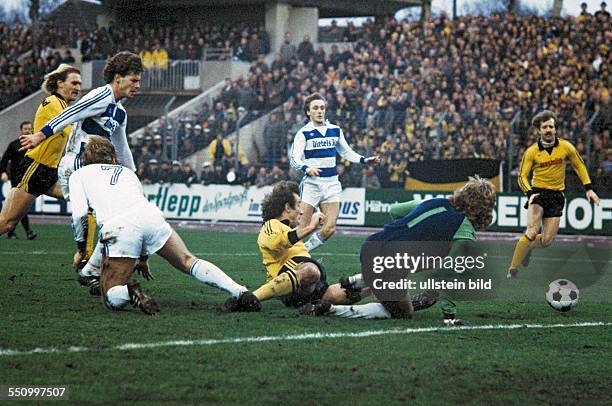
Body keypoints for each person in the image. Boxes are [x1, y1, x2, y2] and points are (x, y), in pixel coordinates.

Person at [69, 136, 261, 315]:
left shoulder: (79, 175)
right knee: (188, 260)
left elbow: (79, 215)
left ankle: (129, 291)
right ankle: (240, 291)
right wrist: (143, 257)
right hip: (151, 217)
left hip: (120, 227)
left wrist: (80, 248)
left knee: (110, 297)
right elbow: (138, 212)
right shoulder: (127, 173)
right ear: (112, 158)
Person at [19, 51, 143, 290]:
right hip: (75, 165)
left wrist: (133, 177)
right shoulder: (101, 95)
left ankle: (91, 267)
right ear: (118, 77)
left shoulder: (120, 111)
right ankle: (89, 263)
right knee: (104, 216)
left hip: (95, 169)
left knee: (114, 217)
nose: (137, 85)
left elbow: (121, 146)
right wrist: (39, 135)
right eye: (133, 80)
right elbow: (69, 113)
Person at [303, 175, 496, 321]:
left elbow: (394, 211)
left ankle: (330, 294)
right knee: (404, 312)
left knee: (378, 284)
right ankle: (333, 310)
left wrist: (408, 232)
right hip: (390, 266)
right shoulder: (464, 229)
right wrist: (450, 316)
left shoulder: (433, 202)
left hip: (372, 246)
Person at [236, 180, 366, 311]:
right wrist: (310, 227)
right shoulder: (271, 225)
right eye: (298, 205)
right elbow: (277, 242)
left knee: (357, 289)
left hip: (310, 285)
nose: (301, 211)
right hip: (291, 281)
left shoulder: (289, 230)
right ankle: (250, 298)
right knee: (310, 271)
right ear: (287, 208)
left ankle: (378, 286)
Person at [507, 110, 600, 278]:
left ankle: (528, 247)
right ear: (539, 130)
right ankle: (513, 269)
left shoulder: (566, 147)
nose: (548, 129)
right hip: (538, 194)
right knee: (532, 230)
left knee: (547, 241)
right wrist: (529, 193)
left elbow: (579, 165)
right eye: (545, 127)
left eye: (551, 126)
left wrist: (589, 188)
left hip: (557, 195)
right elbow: (522, 176)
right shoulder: (531, 152)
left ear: (555, 128)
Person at [289, 92, 379, 252]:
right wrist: (306, 168)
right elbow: (294, 158)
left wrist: (363, 160)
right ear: (308, 112)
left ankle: (304, 252)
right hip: (312, 185)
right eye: (315, 108)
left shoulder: (335, 130)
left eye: (322, 108)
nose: (319, 111)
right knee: (301, 230)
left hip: (331, 184)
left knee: (329, 229)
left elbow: (346, 152)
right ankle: (288, 255)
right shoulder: (303, 133)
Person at [0, 64, 81, 237]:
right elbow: (66, 129)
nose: (78, 88)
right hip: (35, 168)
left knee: (84, 198)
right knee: (7, 223)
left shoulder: (64, 106)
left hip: (50, 171)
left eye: (79, 84)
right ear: (60, 83)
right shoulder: (52, 102)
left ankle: (91, 252)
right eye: (74, 83)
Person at [0, 121, 37, 239]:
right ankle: (28, 232)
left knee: (20, 206)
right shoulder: (14, 145)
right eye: (25, 129)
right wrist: (3, 172)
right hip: (17, 179)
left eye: (30, 129)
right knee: (20, 206)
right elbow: (4, 161)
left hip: (32, 178)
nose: (28, 131)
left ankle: (12, 232)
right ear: (21, 130)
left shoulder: (36, 144)